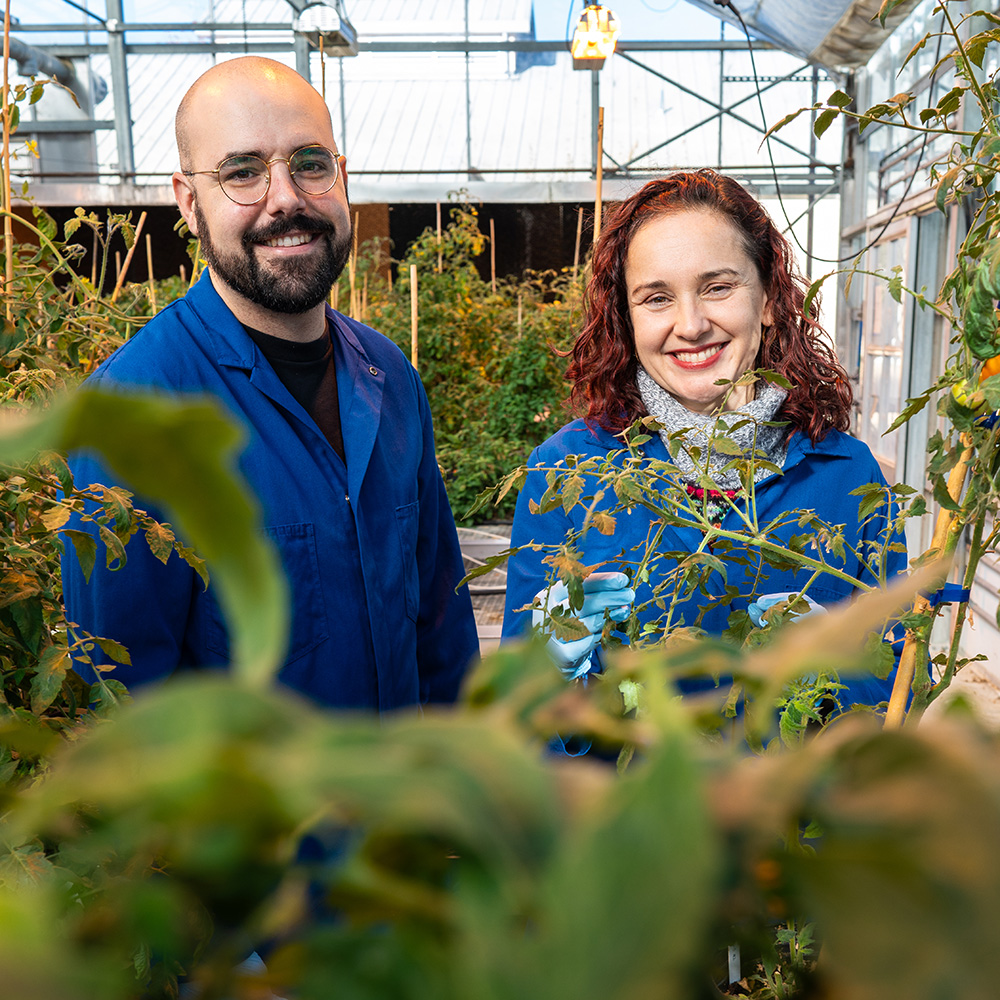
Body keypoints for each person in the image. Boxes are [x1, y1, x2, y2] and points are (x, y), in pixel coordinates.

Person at [62, 57, 478, 711]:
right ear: (188, 200)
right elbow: (126, 710)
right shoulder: (133, 415)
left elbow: (441, 628)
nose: (285, 198)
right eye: (243, 172)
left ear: (342, 177)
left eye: (309, 164)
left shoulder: (389, 376)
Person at [502, 170, 904, 711]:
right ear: (627, 316)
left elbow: (899, 688)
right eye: (656, 298)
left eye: (717, 287)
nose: (690, 325)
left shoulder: (847, 474)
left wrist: (834, 677)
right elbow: (518, 716)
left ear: (766, 298)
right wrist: (551, 669)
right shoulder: (566, 470)